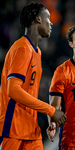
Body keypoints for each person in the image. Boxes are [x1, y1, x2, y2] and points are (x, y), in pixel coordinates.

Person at [0, 3, 66, 150]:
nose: (51, 23)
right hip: (13, 129)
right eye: (48, 18)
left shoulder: (36, 51)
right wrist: (50, 110)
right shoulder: (22, 48)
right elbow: (13, 91)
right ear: (37, 20)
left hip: (31, 129)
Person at [46, 23, 75, 150]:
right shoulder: (62, 71)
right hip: (72, 140)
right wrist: (52, 124)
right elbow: (54, 106)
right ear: (71, 44)